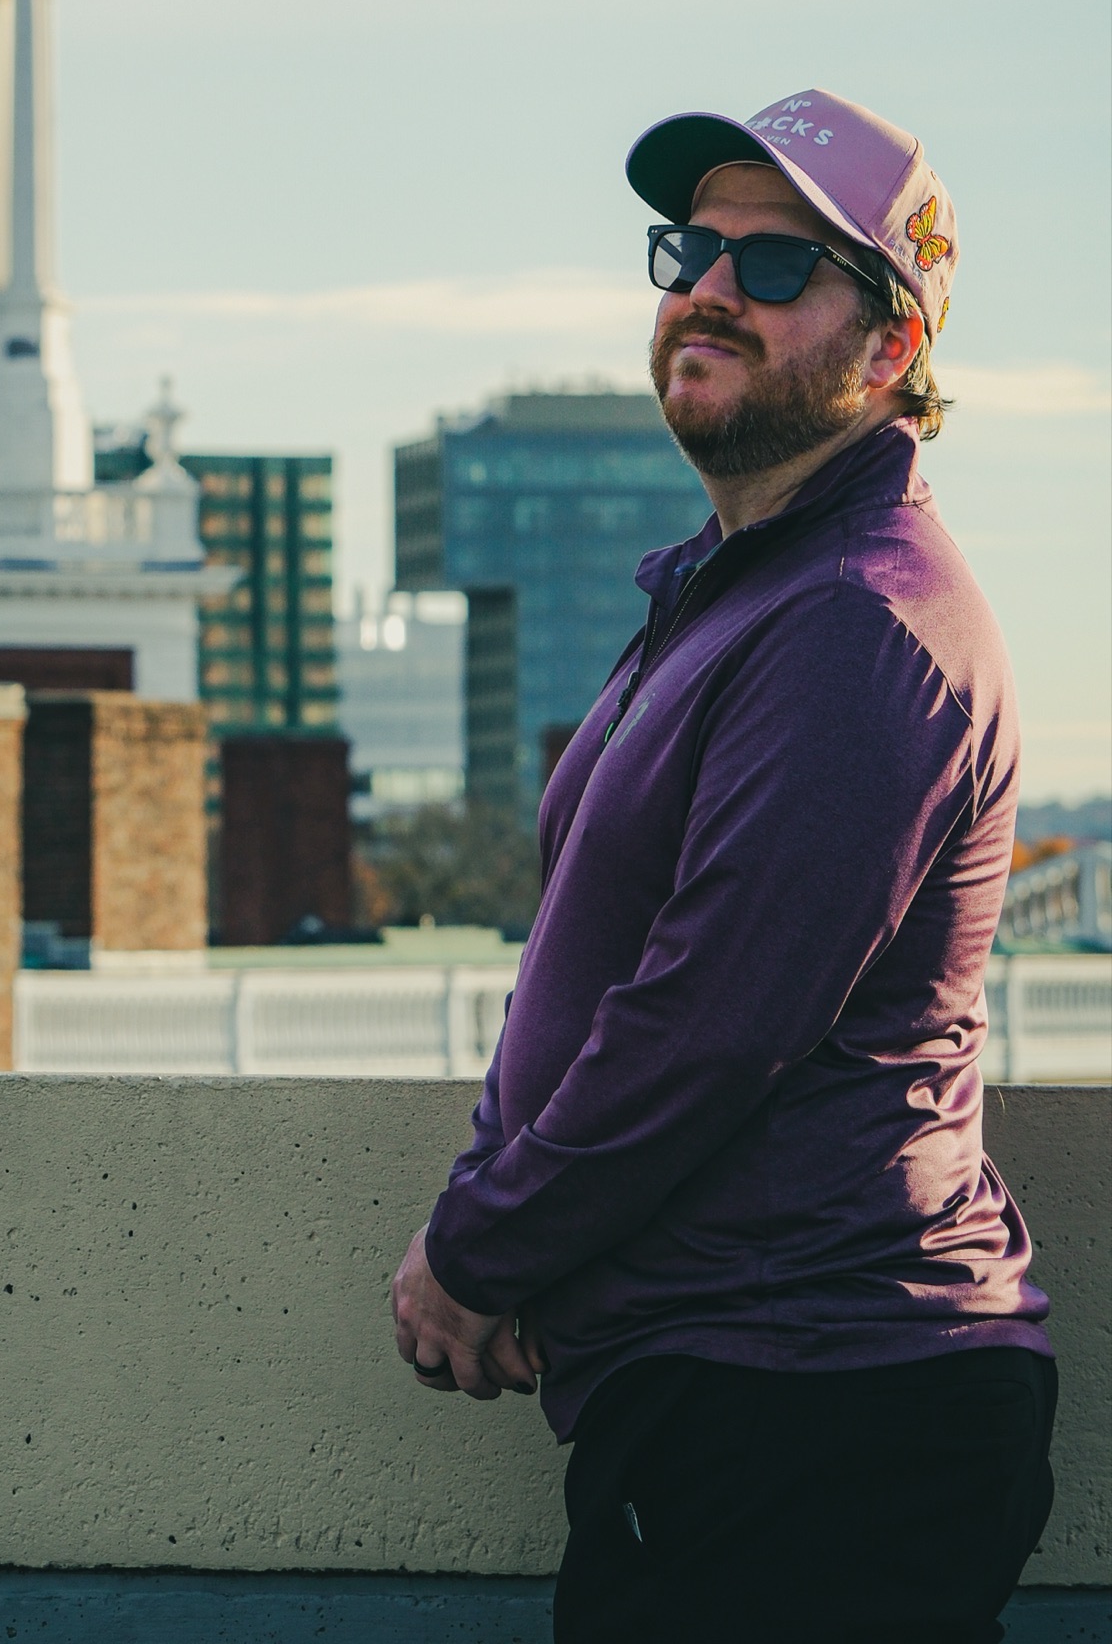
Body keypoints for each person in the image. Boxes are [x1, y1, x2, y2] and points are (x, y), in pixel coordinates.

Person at [390, 89, 1055, 1644]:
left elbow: (710, 1022)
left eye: (776, 268)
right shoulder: (743, 596)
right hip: (743, 1391)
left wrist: (480, 1247)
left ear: (891, 348)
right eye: (694, 248)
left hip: (818, 1404)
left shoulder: (850, 627)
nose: (709, 288)